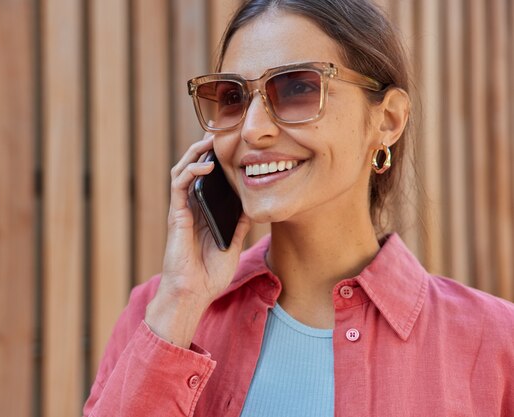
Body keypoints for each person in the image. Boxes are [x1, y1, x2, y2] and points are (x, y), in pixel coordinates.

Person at [83, 0, 514, 415]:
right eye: (233, 97)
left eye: (299, 88)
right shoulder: (159, 315)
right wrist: (179, 303)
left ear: (387, 121)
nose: (252, 130)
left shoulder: (497, 342)